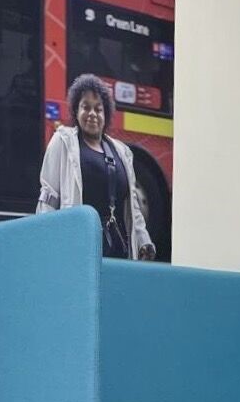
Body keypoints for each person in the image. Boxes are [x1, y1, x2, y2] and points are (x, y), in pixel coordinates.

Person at [36, 73, 157, 261]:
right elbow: (49, 195)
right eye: (86, 107)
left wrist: (143, 241)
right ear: (76, 110)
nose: (92, 113)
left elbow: (132, 205)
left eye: (98, 109)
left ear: (106, 115)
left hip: (117, 251)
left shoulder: (123, 152)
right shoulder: (63, 141)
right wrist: (46, 242)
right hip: (78, 251)